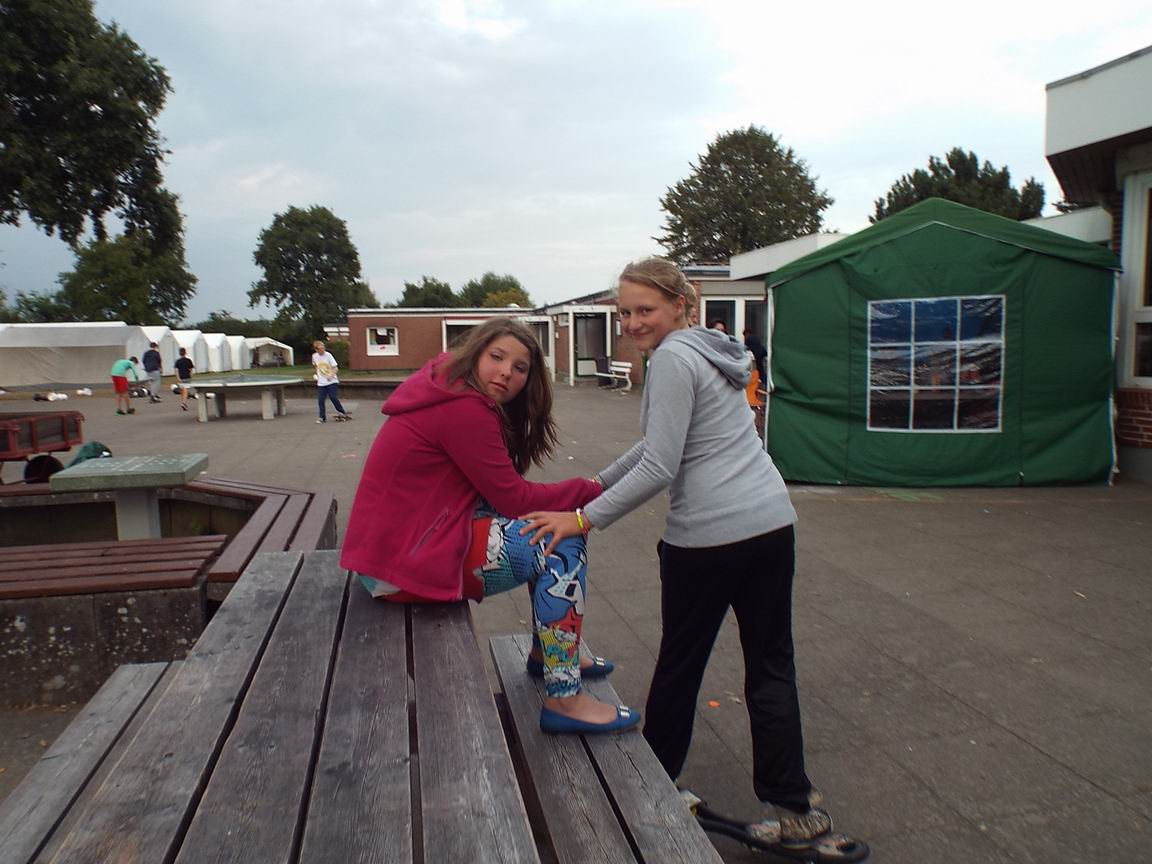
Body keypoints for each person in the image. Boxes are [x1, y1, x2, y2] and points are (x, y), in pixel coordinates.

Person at [521, 257, 836, 849]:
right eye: (625, 312)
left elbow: (661, 466)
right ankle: (795, 807)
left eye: (645, 309)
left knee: (680, 664)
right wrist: (595, 485)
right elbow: (658, 445)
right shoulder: (718, 350)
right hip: (771, 525)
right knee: (771, 664)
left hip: (710, 539)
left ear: (679, 305)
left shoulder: (670, 359)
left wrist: (584, 519)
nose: (633, 322)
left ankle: (655, 783)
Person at [340, 317, 639, 735]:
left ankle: (547, 654)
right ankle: (565, 698)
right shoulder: (464, 408)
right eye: (496, 357)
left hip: (392, 554)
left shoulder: (447, 386)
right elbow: (513, 498)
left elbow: (502, 498)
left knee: (540, 527)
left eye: (520, 368)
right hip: (402, 567)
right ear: (476, 352)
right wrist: (587, 490)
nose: (505, 373)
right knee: (560, 541)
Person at [312, 340, 351, 423]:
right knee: (320, 400)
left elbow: (335, 368)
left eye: (323, 348)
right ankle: (322, 417)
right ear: (316, 349)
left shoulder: (328, 355)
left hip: (332, 381)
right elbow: (316, 366)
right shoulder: (314, 356)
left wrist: (331, 375)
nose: (322, 350)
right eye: (320, 349)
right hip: (321, 382)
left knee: (333, 397)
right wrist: (317, 375)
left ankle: (341, 411)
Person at [174, 347, 195, 411]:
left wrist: (178, 377)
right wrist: (191, 375)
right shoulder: (188, 360)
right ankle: (184, 403)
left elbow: (177, 370)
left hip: (181, 377)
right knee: (185, 390)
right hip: (187, 377)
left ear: (179, 353)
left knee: (183, 390)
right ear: (185, 353)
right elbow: (191, 369)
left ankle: (183, 401)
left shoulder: (178, 361)